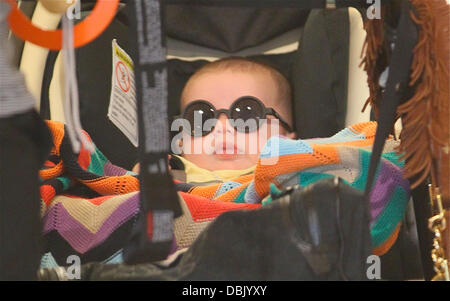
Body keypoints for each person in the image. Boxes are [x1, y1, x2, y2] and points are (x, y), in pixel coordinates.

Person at [134, 57, 296, 183]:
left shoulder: (296, 175)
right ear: (181, 142)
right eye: (202, 118)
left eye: (247, 116)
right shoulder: (172, 178)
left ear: (289, 139)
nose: (222, 127)